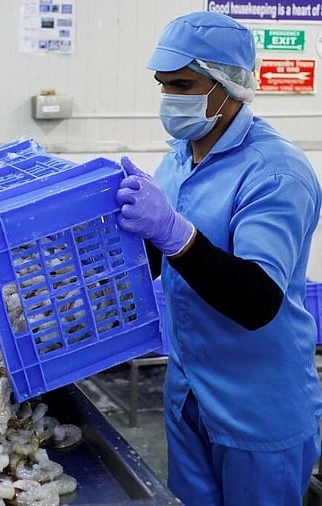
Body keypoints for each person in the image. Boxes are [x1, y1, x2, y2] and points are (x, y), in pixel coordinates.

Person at [115, 11, 322, 504]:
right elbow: (164, 257)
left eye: (183, 84)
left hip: (255, 404)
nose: (170, 98)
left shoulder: (275, 172)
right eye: (163, 85)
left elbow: (257, 300)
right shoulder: (180, 156)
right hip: (189, 392)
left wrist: (171, 231)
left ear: (229, 84)